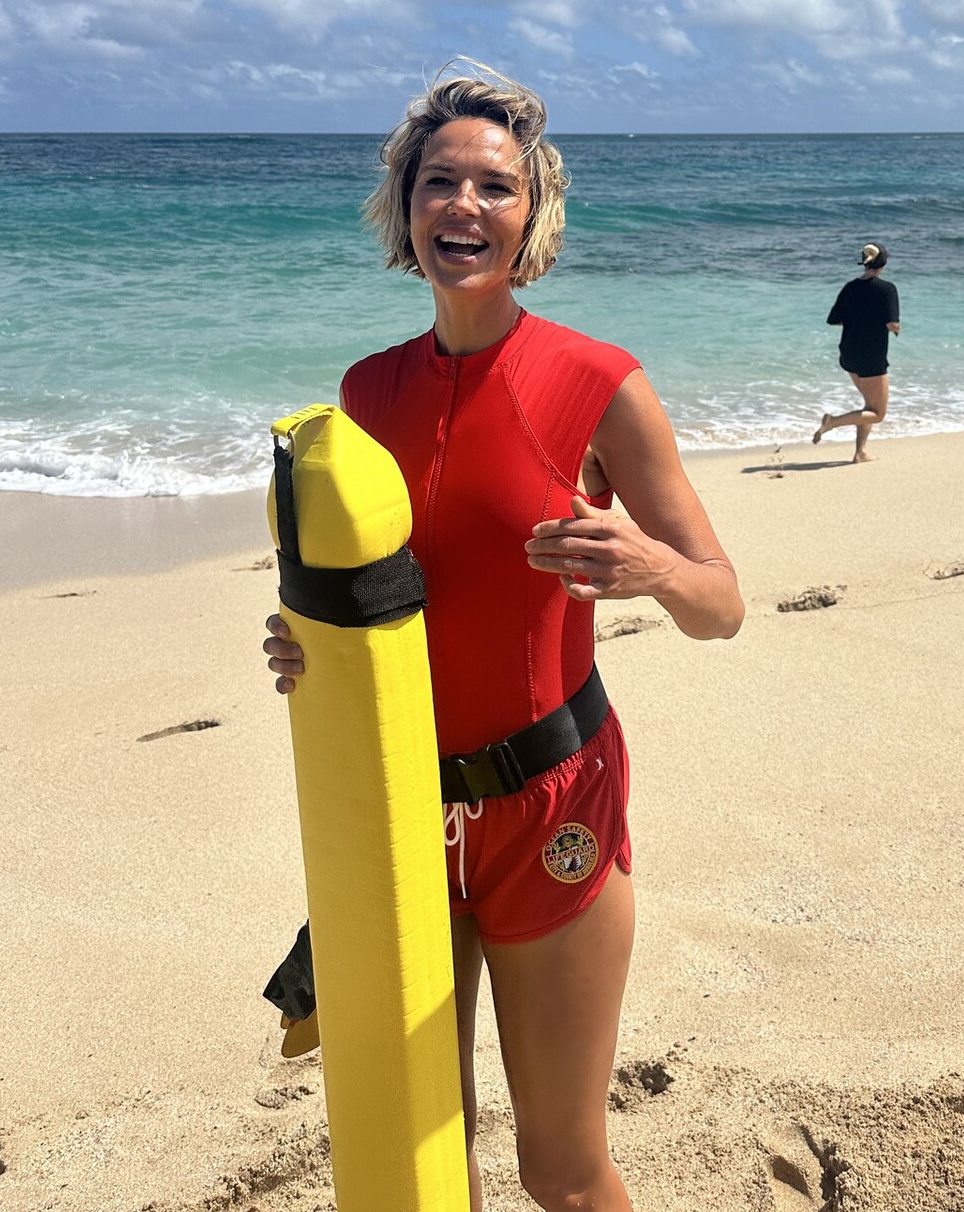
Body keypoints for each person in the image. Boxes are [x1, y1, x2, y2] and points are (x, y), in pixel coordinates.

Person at [263, 68, 743, 1212]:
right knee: (422, 1165)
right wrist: (304, 649)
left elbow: (720, 602)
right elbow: (361, 598)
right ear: (406, 207)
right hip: (396, 813)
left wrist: (650, 568)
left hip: (551, 807)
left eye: (495, 186)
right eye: (440, 182)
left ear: (533, 216)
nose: (464, 206)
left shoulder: (599, 383)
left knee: (560, 1174)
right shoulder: (366, 394)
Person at [812, 241, 901, 464]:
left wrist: (858, 321)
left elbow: (833, 320)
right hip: (871, 357)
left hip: (849, 354)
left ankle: (860, 452)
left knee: (869, 406)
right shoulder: (887, 289)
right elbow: (892, 324)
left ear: (864, 262)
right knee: (878, 414)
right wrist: (896, 329)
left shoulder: (849, 287)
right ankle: (832, 422)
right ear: (883, 264)